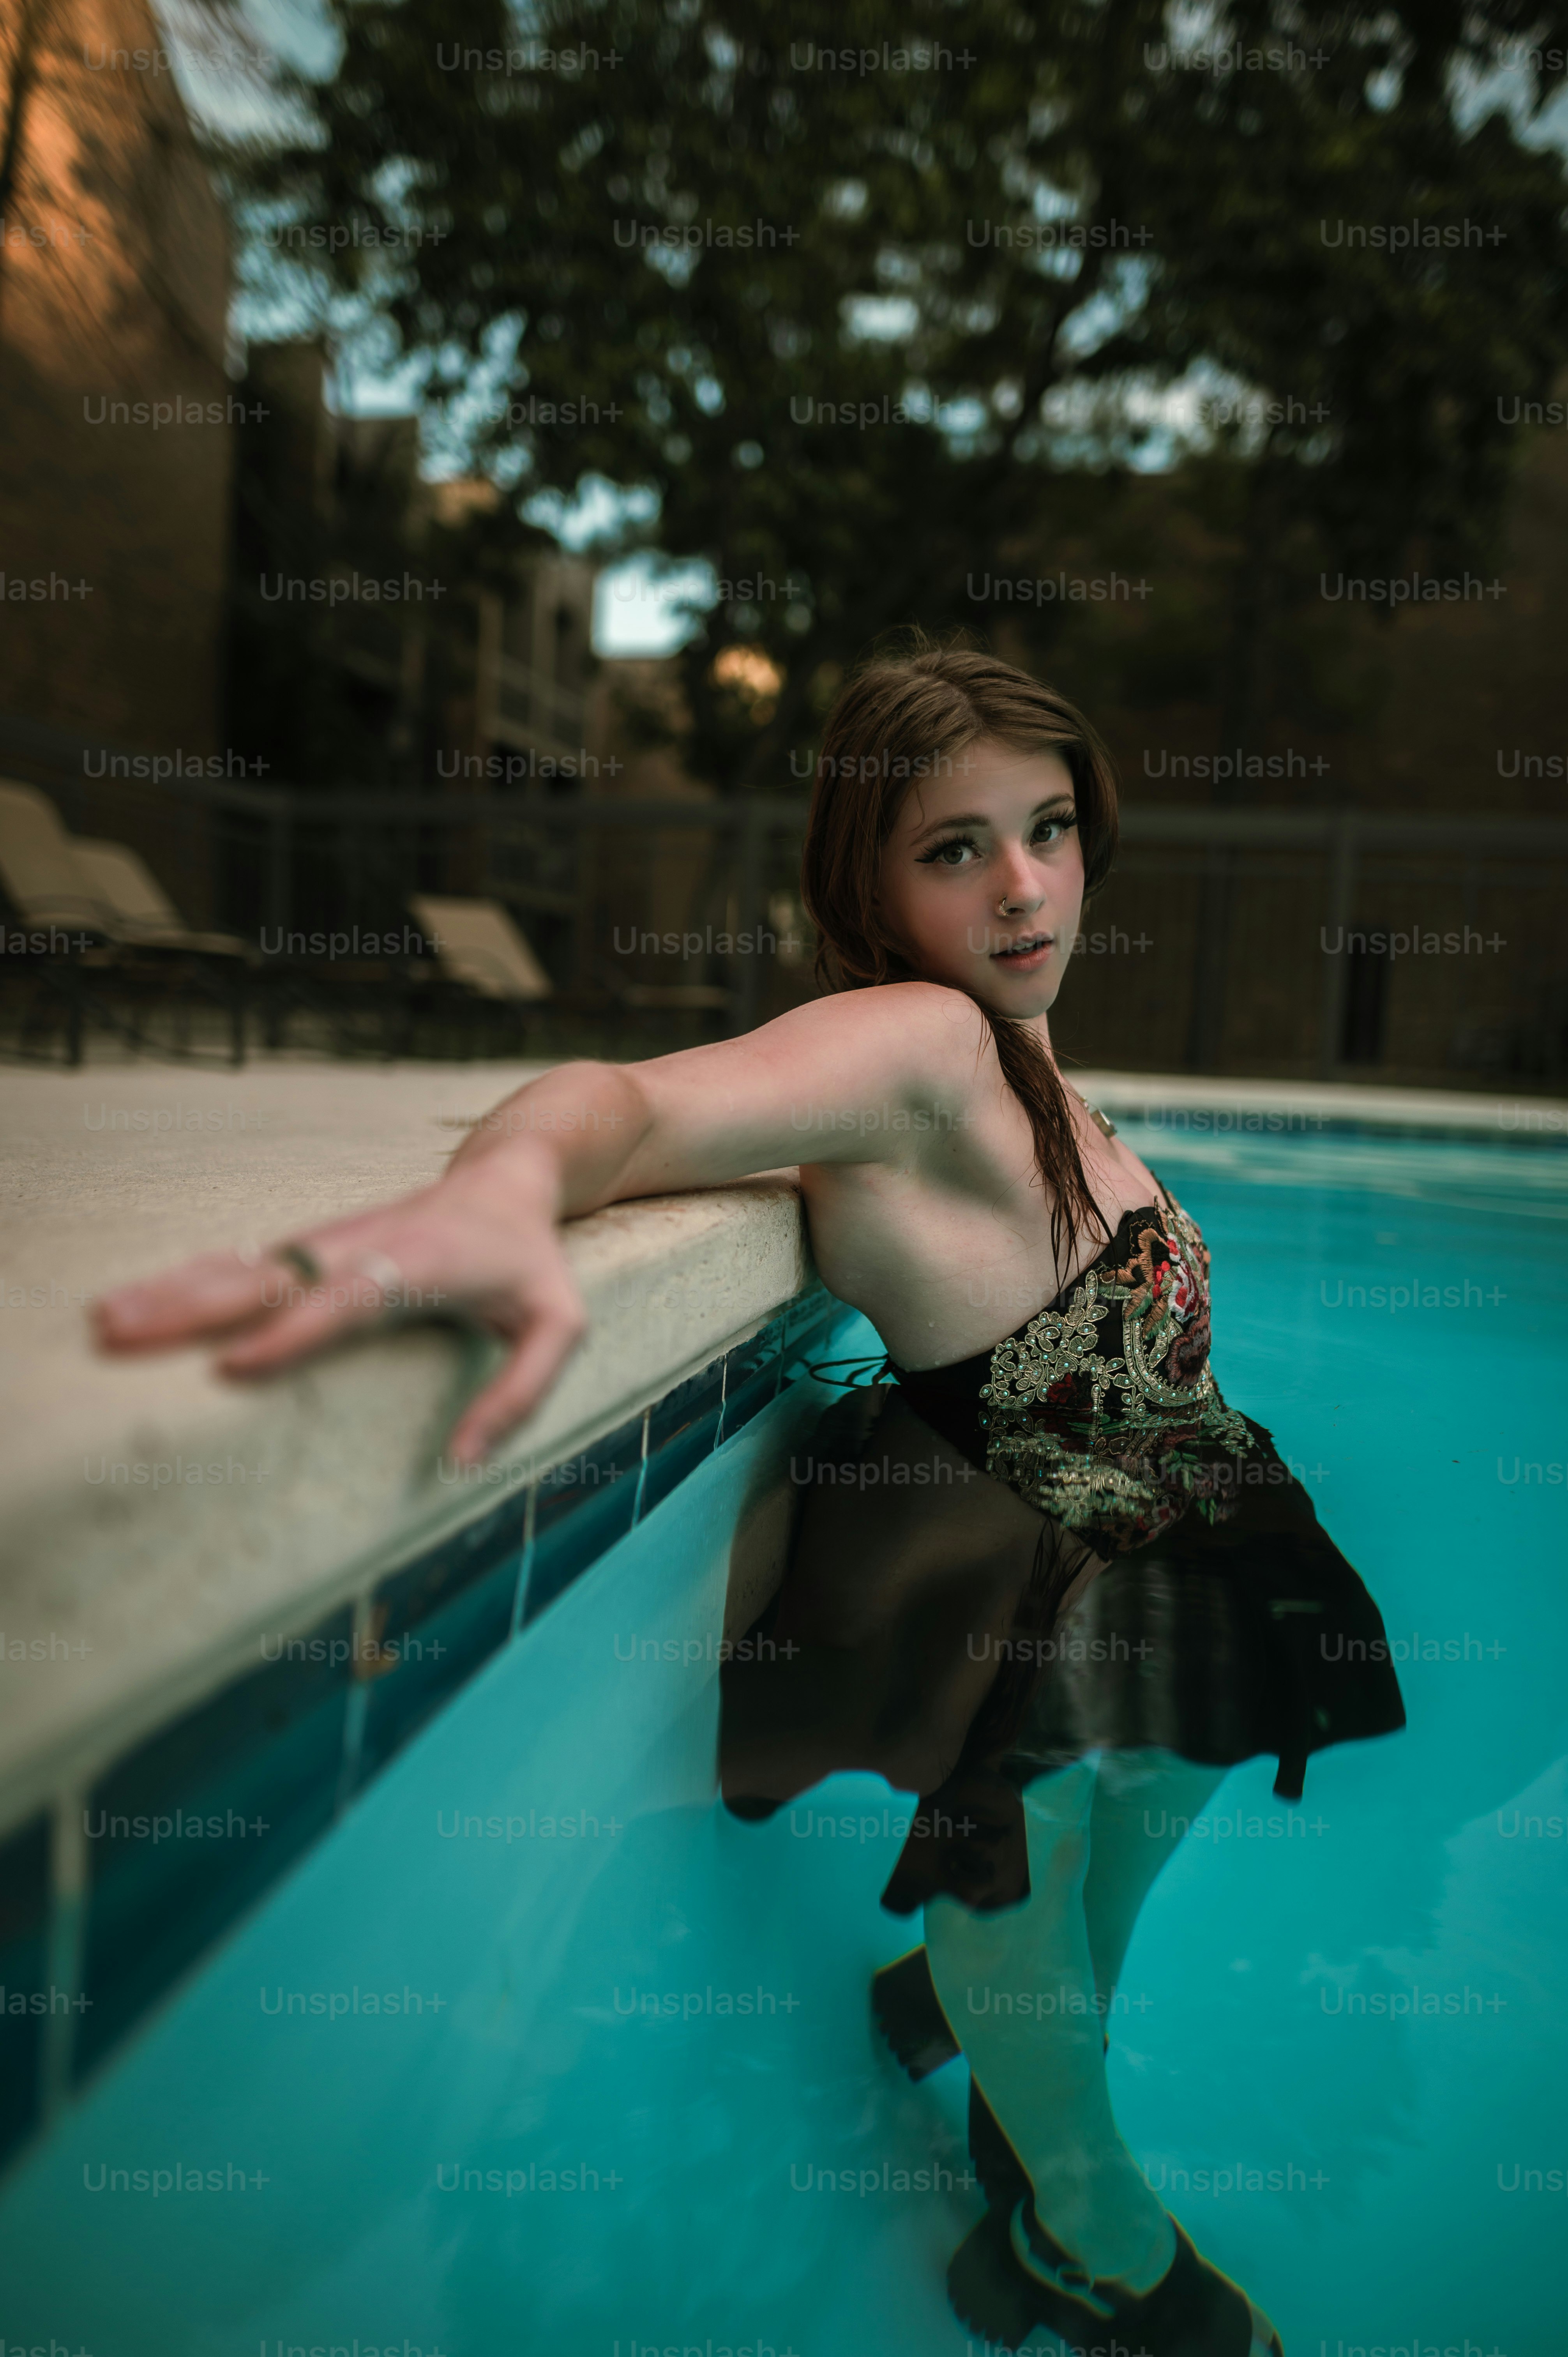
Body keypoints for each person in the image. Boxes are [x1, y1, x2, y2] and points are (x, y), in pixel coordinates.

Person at [95, 641, 1404, 2356]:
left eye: (1049, 829)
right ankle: (1085, 2237)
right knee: (1021, 1878)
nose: (1022, 886)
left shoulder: (1037, 1062)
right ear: (870, 879)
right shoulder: (919, 1041)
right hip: (1048, 1585)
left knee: (1154, 1796)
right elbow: (628, 1104)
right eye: (954, 850)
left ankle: (960, 2013)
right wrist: (502, 1193)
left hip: (1197, 1536)